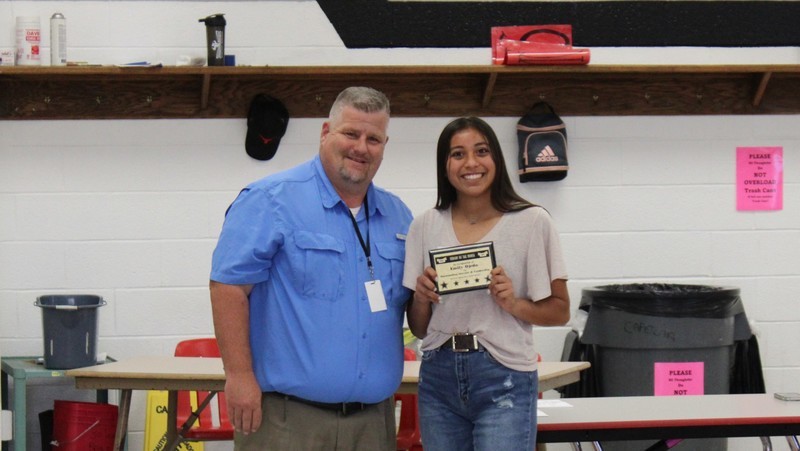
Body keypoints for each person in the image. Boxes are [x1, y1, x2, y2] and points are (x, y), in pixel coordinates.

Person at [209, 87, 413, 451]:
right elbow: (228, 287)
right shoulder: (270, 200)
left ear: (384, 145)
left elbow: (411, 305)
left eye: (373, 139)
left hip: (373, 423)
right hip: (287, 420)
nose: (361, 147)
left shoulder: (398, 216)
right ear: (325, 132)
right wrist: (238, 376)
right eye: (351, 134)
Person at [404, 116, 570, 451]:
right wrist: (421, 297)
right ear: (444, 165)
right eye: (458, 154)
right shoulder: (424, 226)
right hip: (438, 375)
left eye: (481, 151)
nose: (471, 163)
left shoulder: (533, 221)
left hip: (505, 374)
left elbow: (561, 310)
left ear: (496, 157)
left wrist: (514, 304)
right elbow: (419, 329)